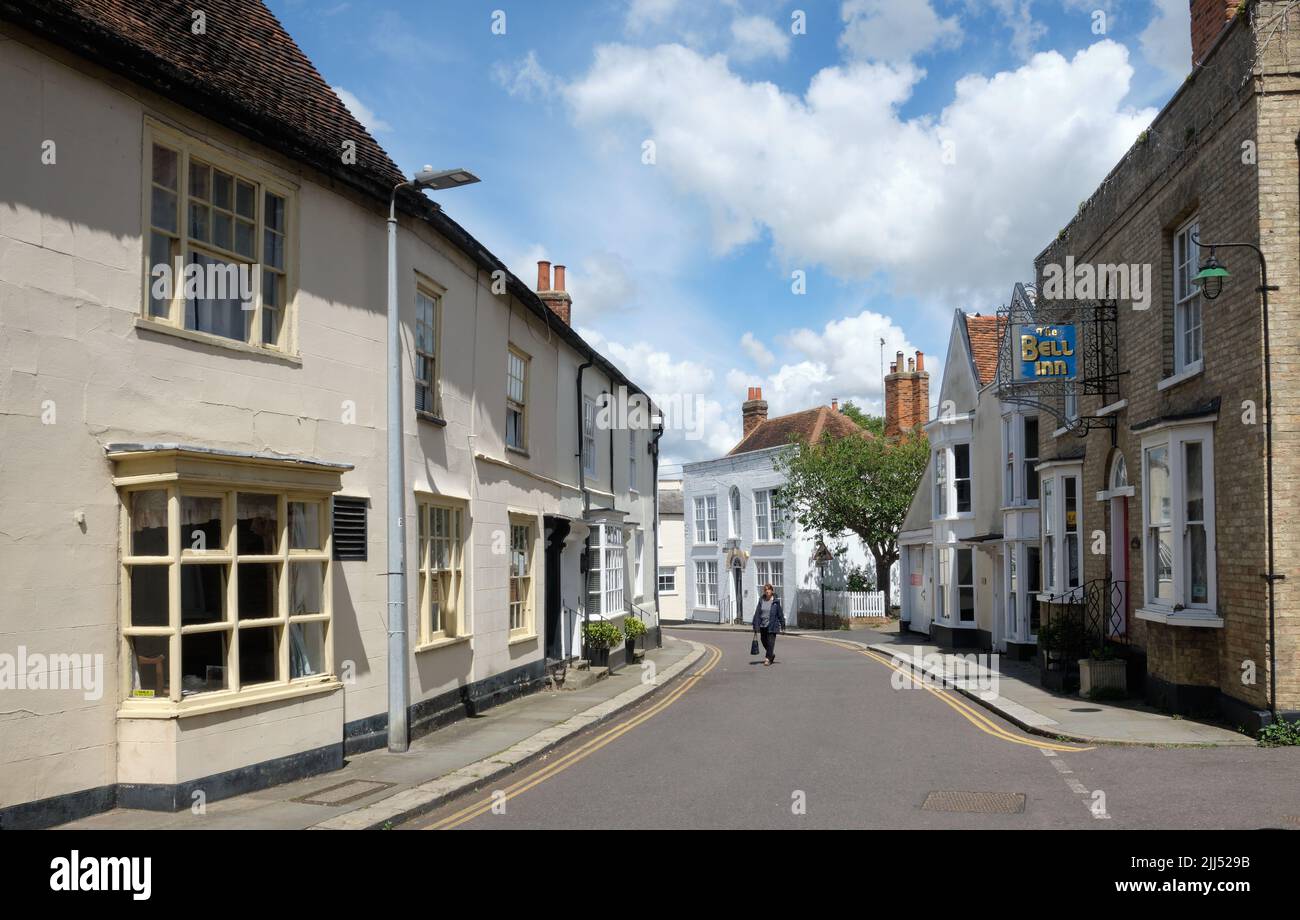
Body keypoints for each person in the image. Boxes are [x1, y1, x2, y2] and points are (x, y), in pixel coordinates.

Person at [752, 583, 785, 666]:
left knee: (770, 643)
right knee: (763, 641)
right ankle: (771, 654)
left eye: (768, 589)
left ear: (772, 591)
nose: (767, 591)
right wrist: (755, 625)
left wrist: (783, 624)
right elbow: (757, 613)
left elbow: (780, 614)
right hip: (763, 625)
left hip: (772, 625)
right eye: (765, 590)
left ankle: (767, 659)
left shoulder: (775, 602)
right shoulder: (761, 600)